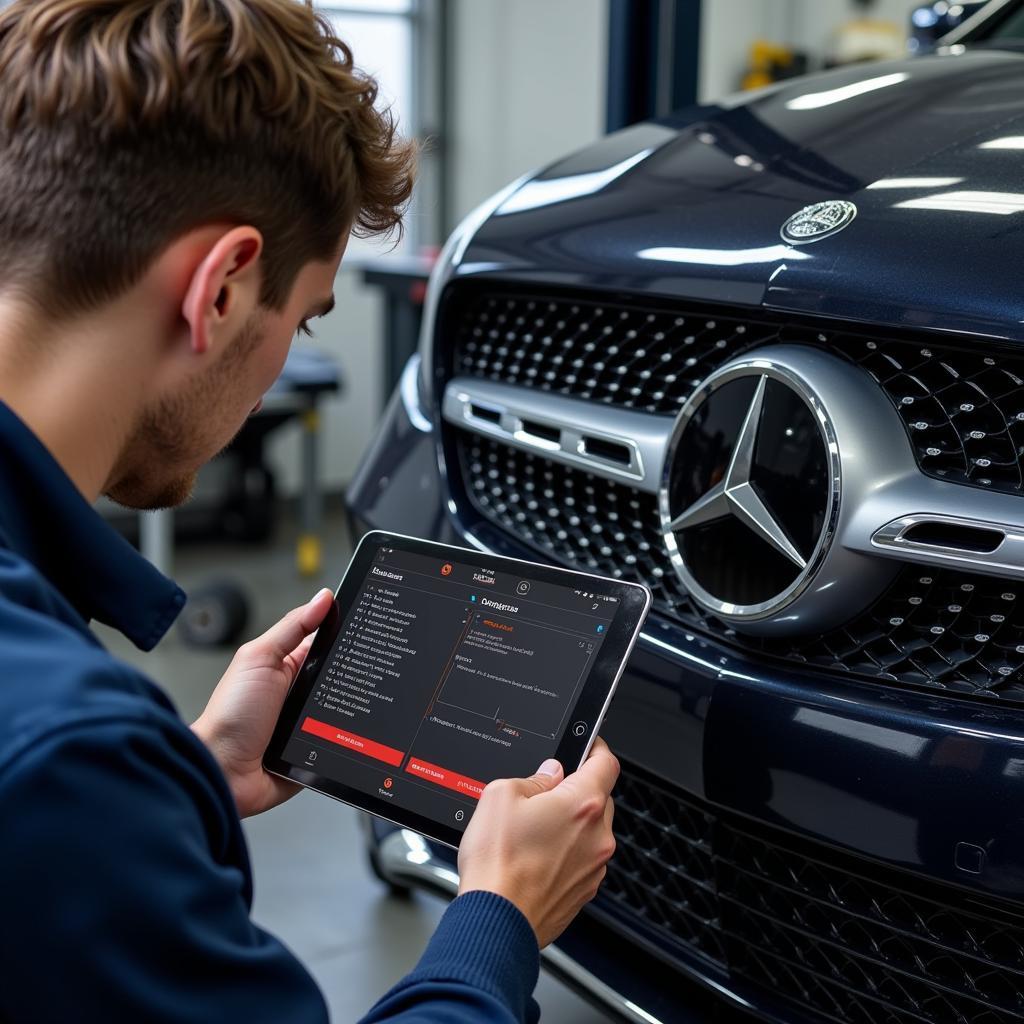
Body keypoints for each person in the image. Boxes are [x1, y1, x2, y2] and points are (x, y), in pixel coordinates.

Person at [0, 1, 620, 1021]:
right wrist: (499, 915)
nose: (290, 347)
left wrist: (184, 776)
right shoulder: (62, 755)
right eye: (306, 314)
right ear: (224, 289)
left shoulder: (71, 770)